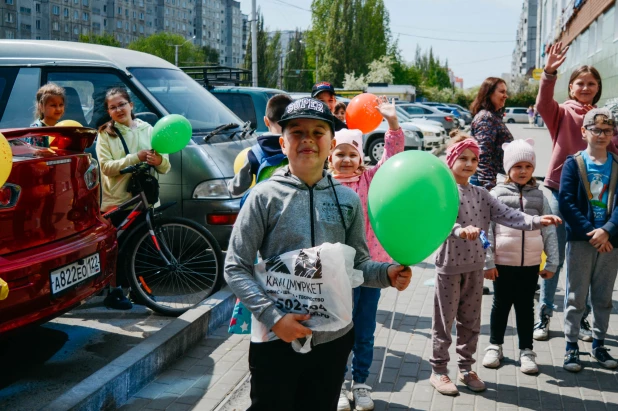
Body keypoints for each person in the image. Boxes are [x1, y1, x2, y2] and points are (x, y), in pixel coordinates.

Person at [224, 97, 412, 411]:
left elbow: (359, 263)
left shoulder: (347, 200)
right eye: (297, 132)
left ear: (330, 143)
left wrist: (387, 274)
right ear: (283, 143)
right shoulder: (264, 196)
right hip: (277, 339)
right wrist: (275, 319)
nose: (308, 138)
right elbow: (236, 267)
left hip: (333, 341)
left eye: (318, 132)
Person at [429, 133, 561, 396]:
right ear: (451, 160)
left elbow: (507, 214)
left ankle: (466, 369)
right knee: (444, 322)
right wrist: (459, 230)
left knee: (471, 321)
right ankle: (439, 371)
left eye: (474, 159)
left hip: (475, 266)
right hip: (450, 266)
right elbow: (439, 222)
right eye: (463, 158)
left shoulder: (481, 193)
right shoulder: (443, 191)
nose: (469, 163)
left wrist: (537, 221)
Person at [533, 42, 618, 342]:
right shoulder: (561, 113)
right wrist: (550, 71)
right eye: (580, 83)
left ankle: (581, 319)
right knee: (554, 253)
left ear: (597, 89)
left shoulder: (603, 119)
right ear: (570, 88)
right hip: (558, 191)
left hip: (593, 200)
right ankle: (544, 314)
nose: (585, 87)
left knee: (584, 257)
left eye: (591, 83)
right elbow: (543, 103)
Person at [329, 97, 404, 411]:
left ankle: (360, 384)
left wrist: (392, 124)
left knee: (364, 330)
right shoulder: (323, 185)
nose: (346, 160)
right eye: (340, 154)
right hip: (334, 273)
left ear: (361, 159)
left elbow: (392, 156)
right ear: (330, 158)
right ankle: (338, 385)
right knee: (336, 331)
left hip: (370, 269)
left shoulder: (370, 179)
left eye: (352, 154)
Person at [482, 139, 559, 375]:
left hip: (530, 265)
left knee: (526, 308)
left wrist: (553, 261)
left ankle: (527, 351)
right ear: (508, 168)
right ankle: (495, 345)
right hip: (503, 264)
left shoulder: (539, 196)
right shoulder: (496, 194)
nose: (523, 171)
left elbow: (549, 230)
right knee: (500, 305)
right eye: (517, 166)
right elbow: (488, 230)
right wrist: (488, 261)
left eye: (527, 166)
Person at [96, 87, 171, 310]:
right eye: (113, 107)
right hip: (118, 200)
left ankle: (139, 292)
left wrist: (158, 161)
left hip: (145, 198)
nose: (118, 109)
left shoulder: (149, 130)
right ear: (109, 112)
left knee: (143, 248)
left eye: (121, 104)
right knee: (119, 247)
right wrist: (134, 158)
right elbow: (106, 168)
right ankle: (115, 290)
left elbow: (165, 165)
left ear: (131, 105)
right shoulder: (105, 134)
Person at [559, 108, 618, 373]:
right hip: (583, 241)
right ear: (584, 132)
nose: (603, 134)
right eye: (597, 130)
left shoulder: (617, 164)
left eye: (608, 130)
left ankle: (599, 343)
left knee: (603, 296)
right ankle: (571, 346)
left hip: (610, 242)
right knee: (576, 295)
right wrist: (592, 233)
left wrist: (608, 229)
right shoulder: (574, 163)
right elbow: (566, 202)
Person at [228, 94, 293, 196]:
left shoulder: (255, 153)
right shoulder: (297, 148)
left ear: (266, 121)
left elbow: (236, 188)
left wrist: (229, 185)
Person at [469, 77, 513, 191]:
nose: (506, 96)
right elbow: (483, 156)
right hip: (487, 183)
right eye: (502, 92)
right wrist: (490, 189)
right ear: (489, 93)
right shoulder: (486, 118)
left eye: (506, 92)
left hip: (494, 181)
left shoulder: (493, 116)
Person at [26, 83, 66, 147]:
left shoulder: (62, 128)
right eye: (53, 105)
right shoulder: (37, 131)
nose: (58, 109)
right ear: (41, 106)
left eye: (61, 105)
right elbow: (35, 155)